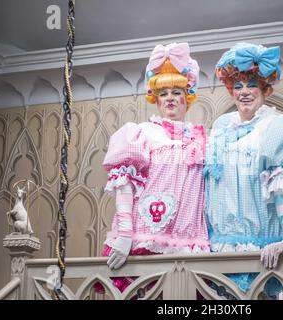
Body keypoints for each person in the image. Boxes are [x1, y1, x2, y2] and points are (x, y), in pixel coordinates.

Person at [204, 42, 283, 297]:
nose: (244, 92)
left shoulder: (277, 128)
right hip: (221, 246)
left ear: (265, 89)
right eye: (238, 86)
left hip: (262, 246)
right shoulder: (221, 128)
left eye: (252, 85)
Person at [98, 42, 209, 293]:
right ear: (156, 99)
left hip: (189, 241)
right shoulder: (142, 133)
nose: (170, 98)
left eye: (176, 92)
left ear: (187, 96)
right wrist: (125, 234)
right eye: (163, 93)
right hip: (145, 238)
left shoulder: (202, 138)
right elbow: (124, 184)